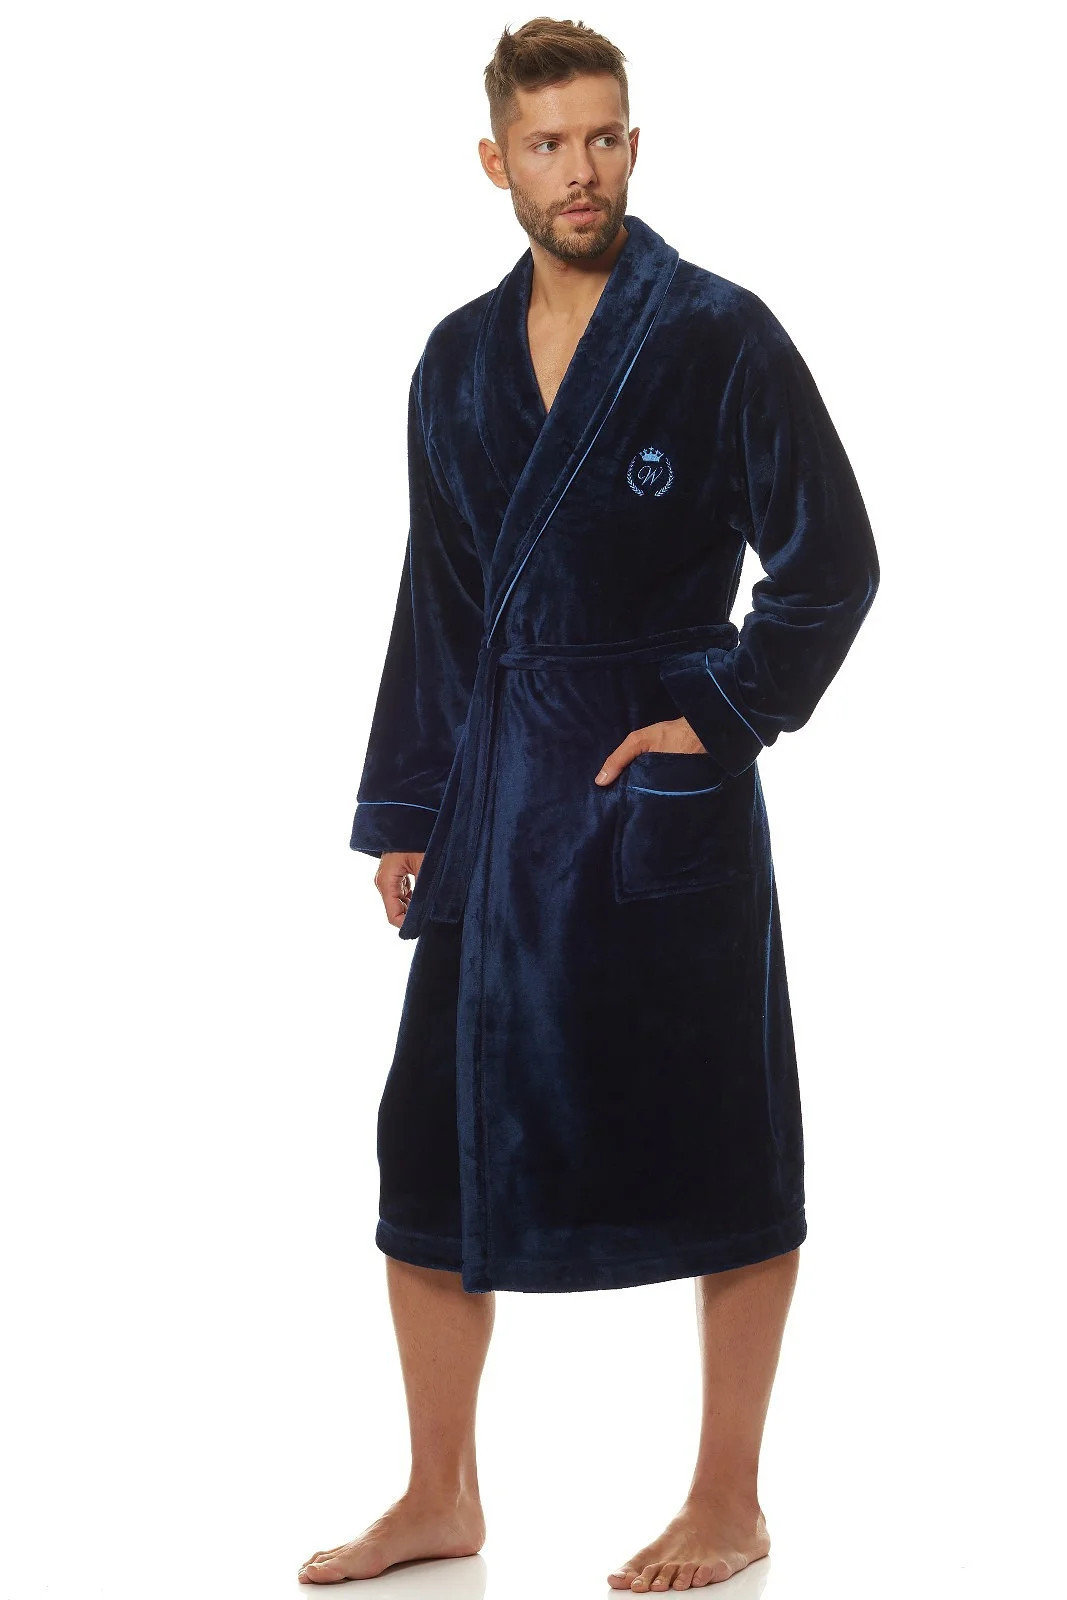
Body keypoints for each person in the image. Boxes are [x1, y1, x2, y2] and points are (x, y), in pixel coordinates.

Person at [300, 16, 879, 1592]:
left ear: (636, 145)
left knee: (725, 1142)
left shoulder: (718, 334)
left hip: (657, 811)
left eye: (605, 137)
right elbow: (439, 598)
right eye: (550, 144)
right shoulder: (454, 361)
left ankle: (729, 1502)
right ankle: (440, 1494)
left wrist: (724, 715)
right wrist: (409, 806)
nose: (582, 171)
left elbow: (832, 561)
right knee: (429, 1152)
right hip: (499, 804)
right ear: (495, 159)